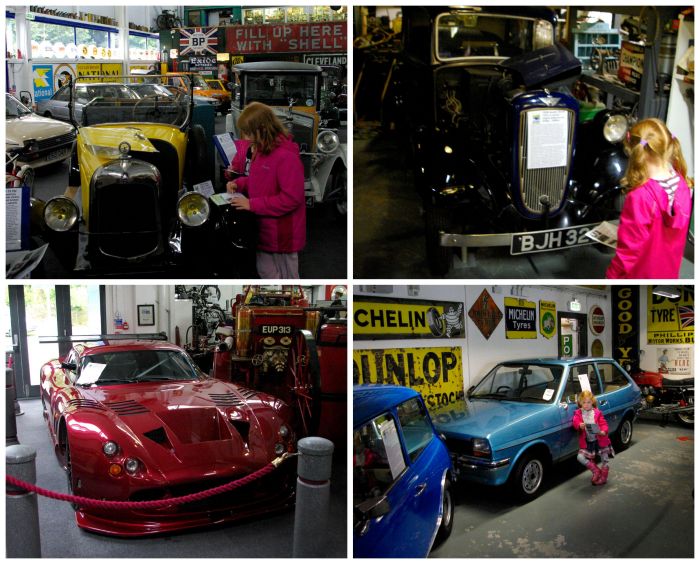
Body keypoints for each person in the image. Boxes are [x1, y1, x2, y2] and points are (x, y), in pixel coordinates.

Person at [225, 102, 306, 278]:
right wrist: (239, 183)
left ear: (261, 129)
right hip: (266, 231)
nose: (245, 137)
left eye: (248, 131)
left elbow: (291, 198)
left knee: (286, 278)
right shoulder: (261, 151)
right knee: (266, 272)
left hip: (282, 234)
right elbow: (261, 180)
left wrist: (252, 204)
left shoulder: (286, 157)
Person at [606, 118, 692, 278]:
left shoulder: (640, 197)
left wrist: (611, 278)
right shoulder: (683, 185)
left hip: (640, 277)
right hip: (668, 275)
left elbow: (628, 252)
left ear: (636, 152)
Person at [572, 390, 614, 485]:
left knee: (605, 459)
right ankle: (596, 471)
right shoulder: (578, 413)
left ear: (592, 402)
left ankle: (603, 477)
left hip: (600, 440)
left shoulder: (597, 413)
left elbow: (604, 425)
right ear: (580, 403)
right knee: (580, 457)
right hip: (588, 442)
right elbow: (575, 422)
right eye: (584, 402)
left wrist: (603, 431)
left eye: (588, 402)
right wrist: (579, 425)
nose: (586, 404)